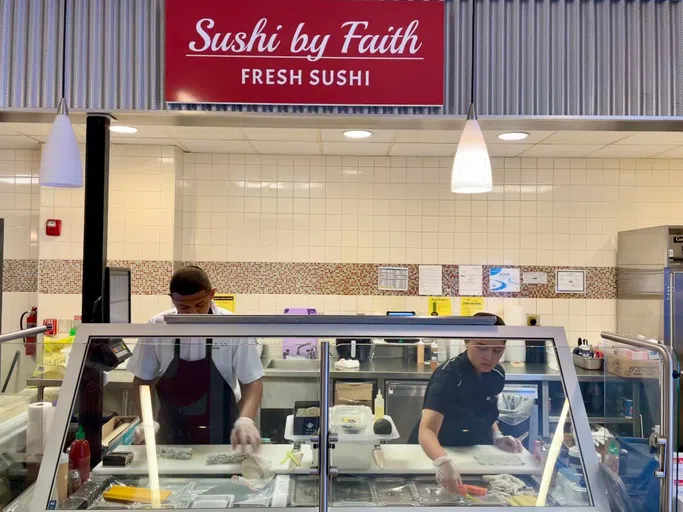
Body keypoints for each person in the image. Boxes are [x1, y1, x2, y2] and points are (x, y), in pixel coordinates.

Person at [127, 265, 263, 449]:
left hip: (222, 429)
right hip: (171, 431)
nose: (193, 313)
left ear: (211, 294)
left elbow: (253, 382)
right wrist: (147, 420)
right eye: (183, 307)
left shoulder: (231, 326)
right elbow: (142, 380)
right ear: (172, 299)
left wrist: (246, 420)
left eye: (200, 305)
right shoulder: (158, 325)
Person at [408, 312, 523, 493]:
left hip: (469, 453)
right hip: (434, 453)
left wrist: (497, 435)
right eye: (481, 347)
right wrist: (442, 461)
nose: (490, 357)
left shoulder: (497, 374)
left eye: (497, 351)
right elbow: (427, 430)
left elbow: (485, 409)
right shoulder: (448, 375)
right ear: (467, 342)